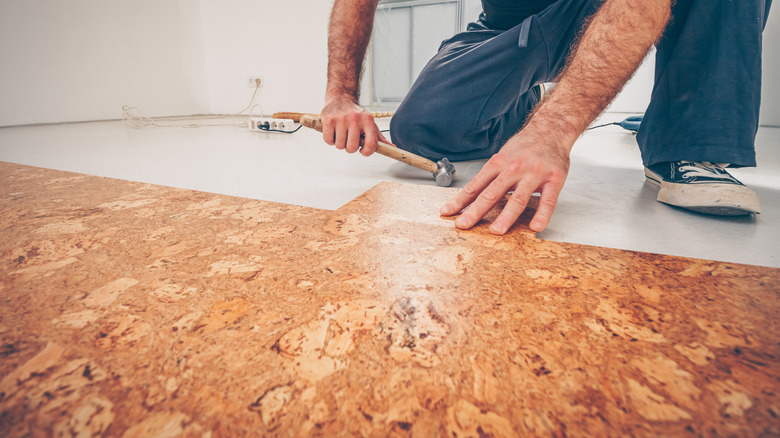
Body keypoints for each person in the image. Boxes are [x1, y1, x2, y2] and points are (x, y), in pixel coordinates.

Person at [320, 0, 771, 235]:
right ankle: (525, 105)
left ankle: (687, 144)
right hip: (512, 23)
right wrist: (340, 93)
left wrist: (552, 133)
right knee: (421, 126)